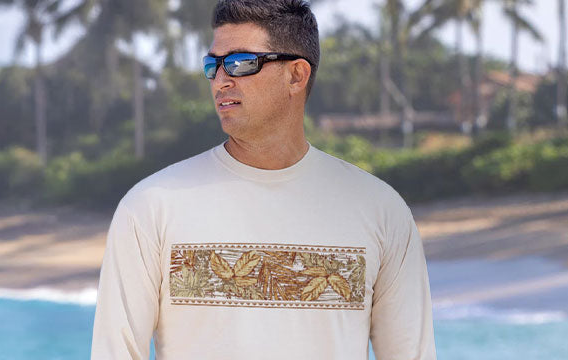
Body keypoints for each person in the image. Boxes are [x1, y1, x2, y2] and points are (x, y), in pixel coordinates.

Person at [87, 0, 436, 358]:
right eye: (213, 65)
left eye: (240, 63)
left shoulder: (380, 210)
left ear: (296, 75)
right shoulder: (151, 207)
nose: (221, 80)